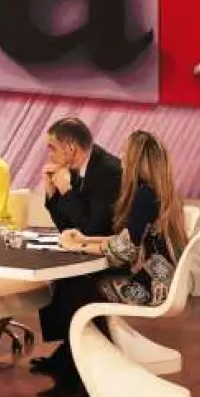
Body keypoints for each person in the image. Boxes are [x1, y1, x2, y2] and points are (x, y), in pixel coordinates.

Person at [38, 130, 189, 397]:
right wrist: (85, 240)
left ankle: (76, 374)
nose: (121, 159)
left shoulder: (144, 196)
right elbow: (125, 239)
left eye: (125, 154)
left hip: (149, 288)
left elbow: (124, 252)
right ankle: (74, 362)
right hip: (159, 281)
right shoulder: (159, 193)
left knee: (77, 292)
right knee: (78, 286)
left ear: (136, 160)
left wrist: (82, 247)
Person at [32, 118, 122, 374]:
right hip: (90, 251)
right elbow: (68, 228)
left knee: (71, 284)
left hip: (113, 256)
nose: (50, 155)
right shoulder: (75, 170)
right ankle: (68, 350)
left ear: (70, 147)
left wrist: (68, 192)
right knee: (56, 277)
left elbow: (93, 228)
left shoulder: (108, 171)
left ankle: (75, 358)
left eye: (52, 148)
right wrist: (52, 194)